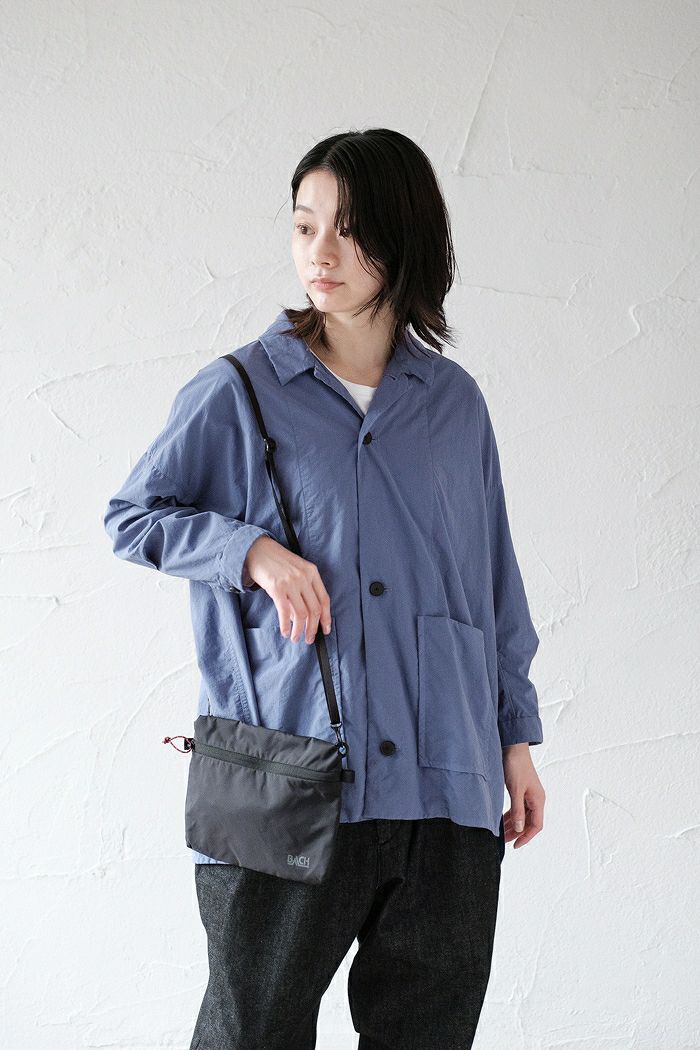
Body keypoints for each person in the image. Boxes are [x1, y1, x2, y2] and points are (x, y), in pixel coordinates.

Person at [103, 127, 546, 1050]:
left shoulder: (455, 404)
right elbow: (133, 517)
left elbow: (493, 583)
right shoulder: (239, 391)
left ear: (404, 237)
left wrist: (515, 741)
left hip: (445, 780)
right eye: (305, 227)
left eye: (349, 229)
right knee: (251, 1035)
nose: (321, 253)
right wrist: (251, 551)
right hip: (287, 775)